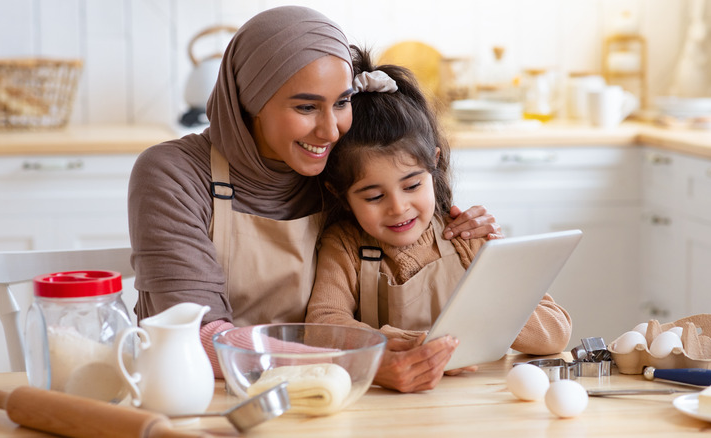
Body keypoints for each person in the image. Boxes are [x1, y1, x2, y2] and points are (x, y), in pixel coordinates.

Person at [127, 6, 501, 391]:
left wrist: (468, 238)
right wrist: (354, 364)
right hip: (197, 394)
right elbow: (198, 339)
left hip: (330, 394)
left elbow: (402, 236)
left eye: (341, 103)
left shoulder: (337, 168)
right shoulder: (172, 173)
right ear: (249, 100)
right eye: (306, 107)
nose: (330, 130)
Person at [305, 47, 572, 391]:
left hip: (472, 405)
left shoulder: (467, 235)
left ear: (434, 163)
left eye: (413, 184)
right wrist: (408, 342)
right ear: (340, 193)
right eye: (373, 196)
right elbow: (323, 327)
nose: (398, 207)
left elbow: (556, 333)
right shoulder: (344, 244)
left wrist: (495, 282)